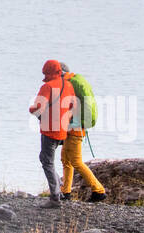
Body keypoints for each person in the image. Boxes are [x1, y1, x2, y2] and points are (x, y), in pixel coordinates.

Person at [29, 58, 73, 209]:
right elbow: (72, 105)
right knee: (47, 159)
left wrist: (32, 110)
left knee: (47, 161)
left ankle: (55, 198)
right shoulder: (67, 84)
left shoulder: (47, 86)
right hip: (63, 129)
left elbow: (37, 108)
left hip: (50, 129)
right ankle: (59, 188)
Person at [59, 64, 107, 202]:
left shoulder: (70, 87)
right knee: (66, 160)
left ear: (61, 74)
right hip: (73, 130)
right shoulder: (75, 83)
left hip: (75, 130)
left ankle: (99, 190)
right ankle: (66, 192)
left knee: (76, 161)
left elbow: (70, 109)